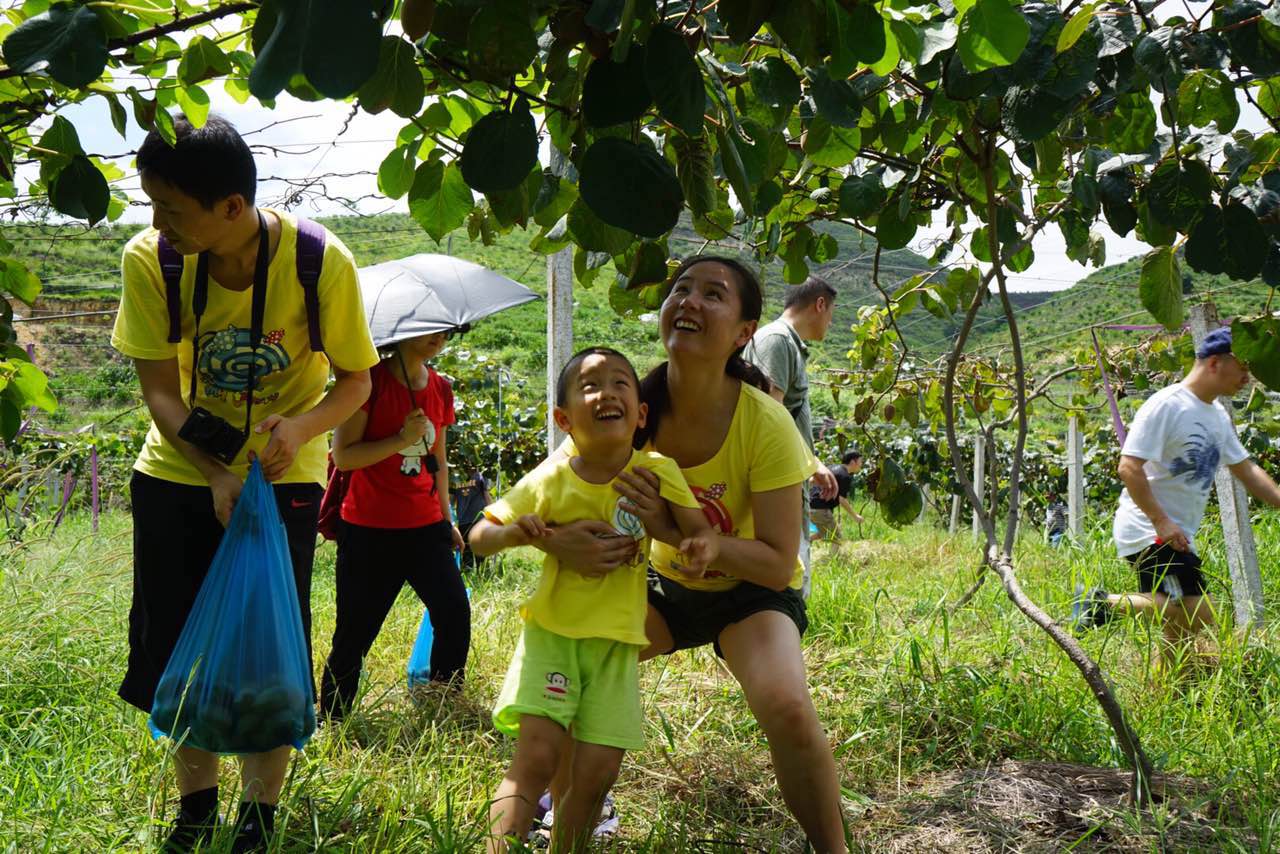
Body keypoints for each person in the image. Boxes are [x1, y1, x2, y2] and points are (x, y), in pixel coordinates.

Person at [111, 116, 379, 852]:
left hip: (283, 479)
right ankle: (195, 809)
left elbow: (356, 383)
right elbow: (162, 395)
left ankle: (258, 818)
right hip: (176, 473)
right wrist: (215, 473)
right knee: (174, 647)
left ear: (232, 207)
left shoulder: (319, 262)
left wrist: (298, 428)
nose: (158, 222)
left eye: (172, 207)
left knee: (269, 650)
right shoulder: (154, 260)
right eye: (152, 203)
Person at [540, 257, 849, 852]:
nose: (689, 301)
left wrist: (705, 543)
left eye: (713, 294)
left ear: (743, 332)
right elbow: (553, 490)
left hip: (751, 593)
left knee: (786, 705)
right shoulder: (635, 412)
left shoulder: (765, 423)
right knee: (577, 675)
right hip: (664, 588)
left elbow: (779, 561)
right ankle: (570, 835)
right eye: (680, 289)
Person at [469, 347, 717, 853]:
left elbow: (698, 535)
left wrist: (694, 550)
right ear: (563, 419)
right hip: (554, 637)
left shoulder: (658, 471)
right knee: (536, 759)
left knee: (599, 771)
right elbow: (477, 537)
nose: (607, 392)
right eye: (589, 385)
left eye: (621, 383)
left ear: (641, 413)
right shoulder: (551, 479)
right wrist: (522, 533)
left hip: (617, 645)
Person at [1071, 327, 1280, 670]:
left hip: (1175, 533)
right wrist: (1161, 521)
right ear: (1215, 362)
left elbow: (1246, 470)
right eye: (1243, 368)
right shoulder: (1167, 405)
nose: (1248, 378)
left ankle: (1166, 690)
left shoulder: (1217, 416)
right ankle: (1099, 604)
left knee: (1177, 624)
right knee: (1201, 611)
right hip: (1150, 529)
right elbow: (1128, 467)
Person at [319, 331, 470, 721]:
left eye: (445, 331)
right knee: (354, 632)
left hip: (425, 528)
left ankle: (444, 702)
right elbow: (344, 455)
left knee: (454, 612)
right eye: (429, 331)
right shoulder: (368, 382)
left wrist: (446, 518)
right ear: (403, 334)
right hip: (369, 530)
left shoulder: (439, 388)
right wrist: (400, 438)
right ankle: (333, 717)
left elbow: (439, 458)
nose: (438, 338)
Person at [742, 275, 839, 598]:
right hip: (776, 482)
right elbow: (772, 413)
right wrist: (811, 462)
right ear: (820, 304)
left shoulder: (787, 343)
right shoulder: (777, 341)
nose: (830, 322)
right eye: (831, 314)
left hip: (786, 478)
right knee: (787, 577)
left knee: (792, 573)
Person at [810, 450, 865, 540]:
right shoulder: (845, 476)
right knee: (836, 537)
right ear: (852, 462)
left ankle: (803, 543)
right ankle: (833, 554)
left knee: (824, 532)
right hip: (820, 508)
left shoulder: (832, 467)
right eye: (860, 461)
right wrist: (855, 516)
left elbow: (812, 480)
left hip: (809, 505)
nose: (861, 464)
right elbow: (841, 499)